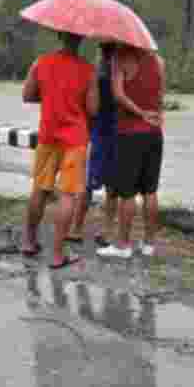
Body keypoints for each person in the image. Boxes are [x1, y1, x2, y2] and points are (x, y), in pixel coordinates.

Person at [21, 30, 99, 269]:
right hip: (74, 139)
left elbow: (27, 95)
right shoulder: (88, 71)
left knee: (40, 189)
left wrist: (50, 98)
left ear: (59, 36)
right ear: (81, 39)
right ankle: (57, 254)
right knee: (67, 195)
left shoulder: (40, 63)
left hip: (47, 136)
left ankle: (29, 241)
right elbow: (93, 109)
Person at [97, 45, 165, 259]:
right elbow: (159, 97)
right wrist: (153, 114)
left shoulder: (120, 58)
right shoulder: (158, 61)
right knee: (150, 191)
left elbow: (118, 95)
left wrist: (140, 113)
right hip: (154, 133)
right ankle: (149, 244)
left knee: (127, 193)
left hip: (130, 134)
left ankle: (123, 245)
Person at [69, 41, 117, 247]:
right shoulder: (121, 75)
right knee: (112, 187)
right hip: (119, 134)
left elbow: (92, 109)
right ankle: (107, 231)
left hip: (99, 133)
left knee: (87, 184)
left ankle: (76, 228)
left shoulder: (96, 76)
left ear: (101, 52)